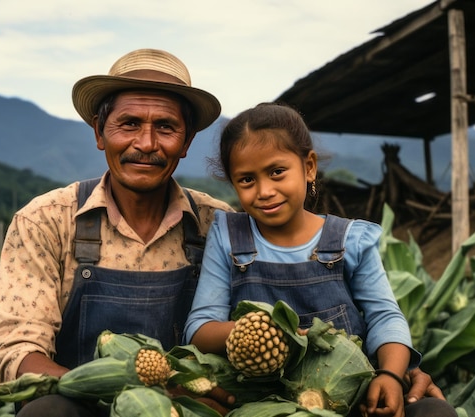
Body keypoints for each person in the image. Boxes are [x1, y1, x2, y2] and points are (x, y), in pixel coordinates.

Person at [0, 49, 450, 417]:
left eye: (165, 127)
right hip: (90, 405)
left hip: (200, 404)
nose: (146, 144)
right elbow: (16, 351)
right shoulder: (48, 220)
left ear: (186, 142)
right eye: (129, 124)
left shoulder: (220, 222)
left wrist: (401, 369)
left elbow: (373, 310)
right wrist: (140, 387)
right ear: (99, 132)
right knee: (47, 410)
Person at [184, 102, 458, 417]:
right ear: (234, 184)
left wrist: (391, 375)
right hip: (263, 402)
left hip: (349, 399)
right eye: (247, 180)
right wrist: (268, 331)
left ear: (309, 167)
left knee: (434, 412)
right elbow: (200, 329)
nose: (265, 191)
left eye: (277, 172)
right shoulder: (228, 237)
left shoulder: (350, 240)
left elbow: (385, 317)